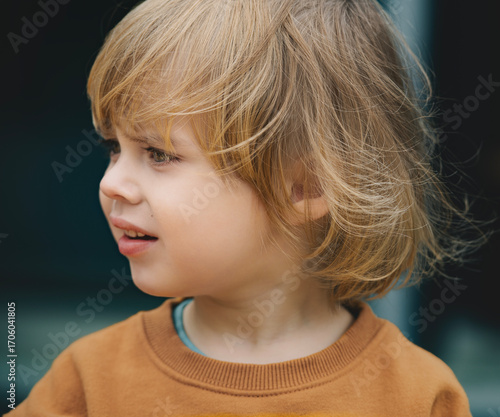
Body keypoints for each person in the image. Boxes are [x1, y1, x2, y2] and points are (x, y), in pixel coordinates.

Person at [7, 0, 482, 415]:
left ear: (307, 187)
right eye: (114, 147)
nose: (113, 184)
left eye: (159, 154)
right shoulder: (89, 381)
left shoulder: (417, 396)